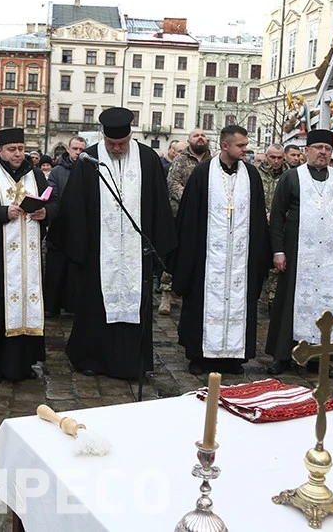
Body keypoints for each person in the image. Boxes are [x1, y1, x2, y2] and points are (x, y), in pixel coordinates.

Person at [50, 108, 176, 379]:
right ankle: (92, 359)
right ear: (103, 137)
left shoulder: (147, 158)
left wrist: (158, 245)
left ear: (130, 136)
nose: (117, 148)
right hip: (98, 252)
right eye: (112, 144)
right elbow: (74, 207)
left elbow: (158, 204)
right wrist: (80, 249)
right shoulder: (89, 159)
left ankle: (132, 363)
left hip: (135, 251)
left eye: (122, 143)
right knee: (95, 307)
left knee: (134, 309)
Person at [171, 126, 271, 375]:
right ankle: (199, 355)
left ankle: (233, 358)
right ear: (225, 146)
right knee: (201, 304)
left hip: (241, 257)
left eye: (246, 145)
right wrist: (189, 257)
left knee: (240, 303)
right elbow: (189, 217)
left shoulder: (251, 175)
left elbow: (258, 217)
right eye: (241, 146)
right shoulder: (203, 173)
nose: (245, 149)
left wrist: (260, 254)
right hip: (208, 257)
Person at [0, 127, 57, 383]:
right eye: (11, 150)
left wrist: (45, 213)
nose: (17, 154)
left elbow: (54, 202)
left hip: (29, 261)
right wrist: (2, 213)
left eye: (20, 149)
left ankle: (23, 365)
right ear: (0, 151)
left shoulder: (36, 174)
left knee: (27, 307)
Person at [266, 129, 333, 378]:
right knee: (289, 304)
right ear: (307, 151)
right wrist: (278, 251)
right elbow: (276, 217)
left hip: (329, 255)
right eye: (317, 147)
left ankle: (320, 357)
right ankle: (282, 356)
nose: (322, 152)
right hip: (298, 253)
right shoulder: (291, 177)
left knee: (327, 305)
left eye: (327, 149)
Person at [161, 128, 211, 315]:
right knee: (174, 253)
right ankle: (166, 293)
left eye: (203, 135)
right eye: (196, 135)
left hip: (205, 216)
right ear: (189, 140)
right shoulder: (180, 160)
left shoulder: (212, 161)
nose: (200, 137)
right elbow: (173, 184)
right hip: (180, 215)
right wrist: (192, 200)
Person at [44, 136, 86, 316]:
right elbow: (52, 195)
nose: (78, 152)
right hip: (60, 226)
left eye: (81, 150)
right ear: (68, 150)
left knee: (75, 270)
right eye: (75, 148)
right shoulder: (57, 172)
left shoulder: (89, 170)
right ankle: (51, 306)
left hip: (80, 229)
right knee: (55, 269)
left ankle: (73, 306)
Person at [258, 144, 289, 312]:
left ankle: (273, 299)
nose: (276, 161)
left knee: (278, 264)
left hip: (282, 225)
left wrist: (280, 216)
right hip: (261, 225)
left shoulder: (290, 174)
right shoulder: (256, 174)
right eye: (272, 157)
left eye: (279, 157)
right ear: (266, 156)